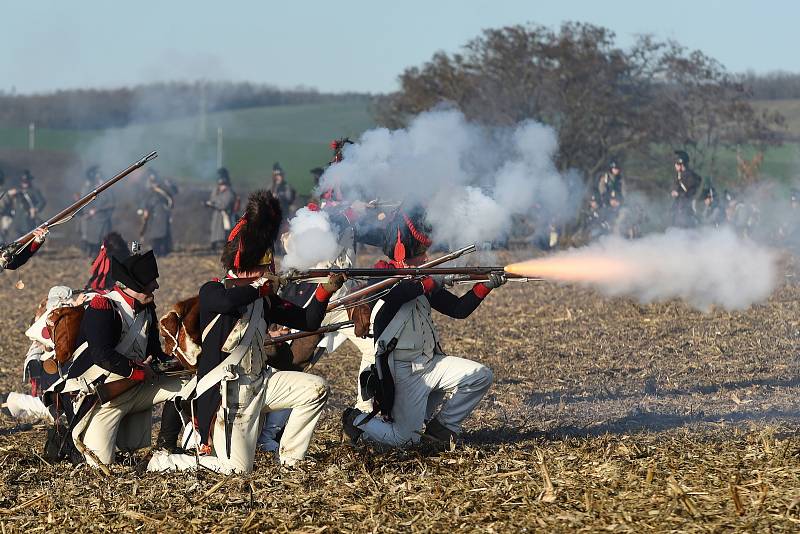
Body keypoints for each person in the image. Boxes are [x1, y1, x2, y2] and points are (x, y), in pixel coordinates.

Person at [147, 191, 343, 473]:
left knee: (315, 389)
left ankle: (291, 463)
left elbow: (308, 321)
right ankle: (166, 460)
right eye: (265, 266)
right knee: (237, 470)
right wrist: (260, 288)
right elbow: (228, 302)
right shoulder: (215, 290)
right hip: (229, 394)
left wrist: (325, 290)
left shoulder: (264, 297)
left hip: (260, 382)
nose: (271, 269)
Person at [341, 207, 503, 449]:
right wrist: (430, 281)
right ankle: (356, 421)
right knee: (405, 440)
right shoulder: (382, 275)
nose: (426, 258)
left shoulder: (421, 280)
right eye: (420, 253)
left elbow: (458, 310)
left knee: (480, 376)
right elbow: (398, 295)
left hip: (430, 362)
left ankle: (442, 429)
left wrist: (484, 287)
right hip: (403, 371)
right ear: (402, 250)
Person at [49, 247, 185, 467]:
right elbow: (101, 354)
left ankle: (166, 446)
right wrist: (140, 371)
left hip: (134, 387)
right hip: (99, 396)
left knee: (189, 384)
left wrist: (176, 362)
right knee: (98, 464)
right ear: (134, 286)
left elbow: (153, 351)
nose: (156, 286)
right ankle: (67, 438)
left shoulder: (146, 309)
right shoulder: (103, 307)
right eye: (151, 282)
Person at [79, 166, 115, 257]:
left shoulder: (107, 189)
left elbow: (111, 203)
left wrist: (96, 210)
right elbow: (87, 201)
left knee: (102, 239)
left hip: (103, 216)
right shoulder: (89, 187)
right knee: (91, 237)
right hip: (92, 216)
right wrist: (88, 212)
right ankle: (92, 251)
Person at [139, 170, 175, 256]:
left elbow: (169, 199)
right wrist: (144, 210)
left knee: (162, 235)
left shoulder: (162, 190)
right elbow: (145, 201)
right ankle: (154, 251)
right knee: (152, 235)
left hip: (161, 214)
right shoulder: (148, 191)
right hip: (152, 215)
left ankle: (163, 251)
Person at [8, 170, 46, 237]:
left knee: (29, 236)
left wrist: (35, 209)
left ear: (29, 181)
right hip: (17, 219)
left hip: (28, 218)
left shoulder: (34, 191)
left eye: (26, 180)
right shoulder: (17, 191)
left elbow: (42, 202)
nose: (25, 182)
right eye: (23, 181)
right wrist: (9, 194)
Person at [206, 168, 236, 251]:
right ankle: (213, 246)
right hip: (217, 214)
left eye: (222, 185)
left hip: (226, 215)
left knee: (226, 231)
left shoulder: (230, 193)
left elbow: (224, 205)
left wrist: (214, 204)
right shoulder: (216, 191)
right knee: (215, 231)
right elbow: (213, 199)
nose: (221, 186)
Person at [670, 151, 701, 228]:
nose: (675, 166)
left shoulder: (689, 176)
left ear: (681, 164)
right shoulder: (679, 175)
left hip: (685, 209)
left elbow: (690, 193)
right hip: (679, 207)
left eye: (676, 164)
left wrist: (678, 194)